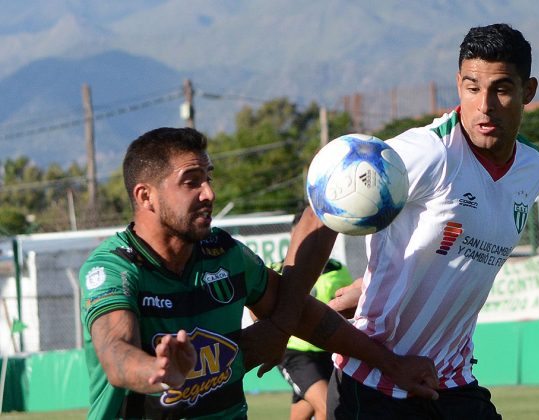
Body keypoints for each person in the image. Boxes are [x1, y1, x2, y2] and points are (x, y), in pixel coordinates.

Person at [78, 128, 438, 419]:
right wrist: (158, 371)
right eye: (191, 181)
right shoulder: (113, 268)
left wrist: (391, 364)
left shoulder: (225, 255)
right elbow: (115, 354)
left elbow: (304, 316)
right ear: (145, 197)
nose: (209, 193)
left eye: (208, 177)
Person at [282, 23, 539, 419]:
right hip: (373, 386)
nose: (485, 105)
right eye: (473, 88)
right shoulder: (429, 152)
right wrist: (283, 317)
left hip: (451, 381)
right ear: (459, 85)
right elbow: (323, 207)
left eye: (502, 89)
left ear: (528, 92)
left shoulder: (532, 169)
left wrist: (371, 284)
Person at [269, 214, 355, 420]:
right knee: (328, 407)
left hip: (329, 350)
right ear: (294, 235)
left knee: (306, 409)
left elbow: (349, 305)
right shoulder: (277, 270)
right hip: (295, 353)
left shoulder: (337, 270)